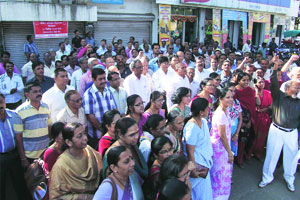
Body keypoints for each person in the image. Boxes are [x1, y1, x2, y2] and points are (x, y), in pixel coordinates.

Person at [258, 56, 300, 192]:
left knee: (291, 157)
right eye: (295, 86)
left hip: (292, 132)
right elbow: (274, 81)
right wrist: (275, 67)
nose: (298, 89)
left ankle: (289, 179)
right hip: (276, 130)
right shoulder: (278, 95)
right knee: (272, 155)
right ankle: (266, 178)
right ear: (288, 87)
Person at [49, 122, 102, 199]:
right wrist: (84, 197)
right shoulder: (61, 165)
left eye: (85, 133)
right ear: (68, 142)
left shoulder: (89, 151)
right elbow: (56, 196)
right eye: (79, 136)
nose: (85, 138)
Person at [0, 93, 31, 200]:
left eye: (1, 102)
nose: (0, 105)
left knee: (20, 185)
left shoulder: (14, 115)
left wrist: (22, 158)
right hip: (0, 158)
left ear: (5, 102)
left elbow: (19, 138)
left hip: (14, 155)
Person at [183, 98, 213, 200]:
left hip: (204, 163)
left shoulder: (203, 121)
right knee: (198, 194)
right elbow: (189, 152)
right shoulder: (191, 127)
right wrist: (193, 169)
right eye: (207, 109)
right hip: (198, 165)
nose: (209, 110)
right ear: (201, 112)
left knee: (205, 192)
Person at [15, 82, 51, 163]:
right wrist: (23, 158)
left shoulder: (45, 107)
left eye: (39, 91)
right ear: (27, 95)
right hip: (29, 156)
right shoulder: (20, 111)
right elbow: (18, 137)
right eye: (35, 92)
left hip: (45, 153)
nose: (39, 93)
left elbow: (49, 127)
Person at [83, 68, 117, 148]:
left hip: (111, 134)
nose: (103, 81)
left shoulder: (108, 91)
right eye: (100, 79)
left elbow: (115, 109)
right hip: (97, 136)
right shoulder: (89, 94)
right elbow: (91, 117)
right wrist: (103, 130)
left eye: (104, 78)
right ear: (93, 80)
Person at [210, 88, 234, 199]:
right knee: (219, 175)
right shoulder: (220, 114)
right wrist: (229, 152)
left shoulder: (226, 111)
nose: (231, 99)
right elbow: (222, 136)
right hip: (219, 149)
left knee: (224, 174)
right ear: (220, 99)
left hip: (224, 147)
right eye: (227, 97)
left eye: (231, 97)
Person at [234, 72, 260, 166]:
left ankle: (241, 156)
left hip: (250, 118)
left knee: (245, 138)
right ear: (239, 80)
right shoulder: (235, 91)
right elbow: (235, 106)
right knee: (238, 138)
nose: (246, 82)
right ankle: (235, 158)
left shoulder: (250, 90)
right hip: (238, 119)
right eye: (243, 80)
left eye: (248, 80)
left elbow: (253, 104)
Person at [248, 77, 272, 161]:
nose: (262, 84)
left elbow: (271, 106)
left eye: (263, 82)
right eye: (259, 82)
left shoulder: (268, 93)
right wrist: (257, 91)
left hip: (264, 117)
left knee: (262, 136)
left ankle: (258, 153)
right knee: (253, 135)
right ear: (255, 83)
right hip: (255, 116)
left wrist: (263, 110)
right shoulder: (252, 93)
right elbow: (258, 103)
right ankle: (249, 153)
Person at [226, 82, 243, 157]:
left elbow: (240, 118)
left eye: (234, 91)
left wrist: (236, 134)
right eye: (230, 90)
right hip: (225, 130)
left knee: (231, 153)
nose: (232, 93)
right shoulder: (221, 102)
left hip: (234, 130)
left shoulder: (236, 102)